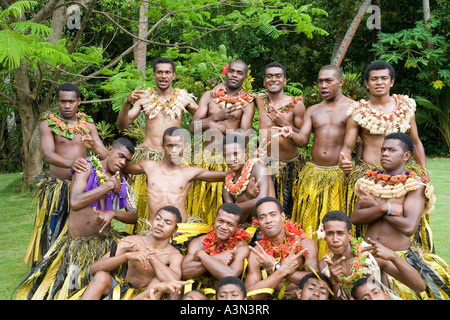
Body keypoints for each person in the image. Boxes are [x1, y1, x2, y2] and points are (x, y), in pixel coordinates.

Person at [15, 138, 137, 300]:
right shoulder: (86, 167)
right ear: (109, 150)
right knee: (71, 290)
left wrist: (114, 213)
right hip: (77, 246)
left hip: (104, 245)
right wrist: (108, 186)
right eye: (120, 156)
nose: (122, 162)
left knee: (100, 288)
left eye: (126, 160)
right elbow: (76, 202)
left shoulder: (121, 180)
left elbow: (134, 216)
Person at [351, 133, 450, 300]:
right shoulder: (368, 180)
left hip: (397, 257)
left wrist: (375, 206)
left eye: (391, 150)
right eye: (383, 149)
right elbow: (356, 218)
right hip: (367, 255)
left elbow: (408, 227)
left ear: (406, 156)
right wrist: (385, 207)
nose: (384, 153)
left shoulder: (415, 185)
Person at [339, 61, 428, 239]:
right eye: (374, 79)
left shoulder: (405, 107)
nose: (379, 82)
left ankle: (406, 256)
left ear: (392, 82)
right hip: (367, 174)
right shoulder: (358, 111)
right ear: (366, 83)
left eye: (383, 78)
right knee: (364, 222)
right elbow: (347, 147)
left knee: (405, 216)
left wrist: (424, 172)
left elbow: (416, 142)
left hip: (404, 174)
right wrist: (345, 161)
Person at [25, 83, 108, 267]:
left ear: (79, 101)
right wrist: (70, 163)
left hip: (83, 187)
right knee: (52, 225)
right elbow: (48, 154)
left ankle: (79, 263)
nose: (67, 105)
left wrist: (92, 145)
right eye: (63, 101)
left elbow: (104, 154)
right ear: (57, 102)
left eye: (71, 101)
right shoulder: (48, 123)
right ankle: (48, 264)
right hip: (58, 186)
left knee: (80, 228)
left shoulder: (88, 125)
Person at [274, 65, 353, 258]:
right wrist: (289, 132)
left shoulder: (353, 108)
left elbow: (352, 142)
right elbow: (303, 139)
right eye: (320, 81)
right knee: (309, 218)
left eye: (328, 81)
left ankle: (338, 261)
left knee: (336, 220)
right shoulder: (313, 110)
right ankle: (309, 259)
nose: (323, 85)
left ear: (340, 82)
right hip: (314, 173)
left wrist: (347, 160)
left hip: (338, 175)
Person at [116, 57, 198, 234]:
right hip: (147, 157)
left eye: (167, 72)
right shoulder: (144, 99)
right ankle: (140, 238)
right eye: (159, 72)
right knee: (145, 202)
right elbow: (121, 125)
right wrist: (127, 102)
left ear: (173, 75)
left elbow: (203, 117)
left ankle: (175, 238)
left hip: (174, 157)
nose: (163, 76)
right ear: (154, 75)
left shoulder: (183, 99)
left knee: (173, 198)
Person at [187, 59, 255, 224]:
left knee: (225, 209)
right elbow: (192, 127)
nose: (235, 75)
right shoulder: (209, 96)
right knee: (200, 206)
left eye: (239, 73)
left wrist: (219, 127)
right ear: (226, 72)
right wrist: (214, 118)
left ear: (245, 78)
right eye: (232, 71)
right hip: (206, 159)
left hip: (230, 162)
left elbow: (245, 136)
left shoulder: (247, 103)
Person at [123, 127, 231, 225]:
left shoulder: (190, 172)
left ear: (186, 147)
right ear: (162, 146)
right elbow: (119, 166)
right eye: (169, 146)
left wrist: (245, 166)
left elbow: (226, 175)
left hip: (179, 229)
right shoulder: (148, 166)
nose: (173, 151)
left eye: (178, 146)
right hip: (154, 228)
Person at [79, 206, 184, 300]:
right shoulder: (133, 241)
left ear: (175, 231)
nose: (160, 224)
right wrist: (126, 256)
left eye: (167, 222)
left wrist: (149, 255)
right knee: (101, 276)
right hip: (121, 290)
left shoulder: (174, 255)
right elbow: (95, 269)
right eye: (158, 219)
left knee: (158, 281)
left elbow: (174, 282)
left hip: (148, 294)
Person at [318, 210, 426, 300]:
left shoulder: (371, 256)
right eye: (330, 233)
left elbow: (419, 286)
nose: (335, 239)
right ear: (325, 236)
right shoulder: (324, 266)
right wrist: (335, 283)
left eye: (340, 233)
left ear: (349, 235)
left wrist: (393, 256)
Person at [254, 62, 306, 217]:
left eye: (278, 76)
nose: (273, 79)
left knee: (288, 213)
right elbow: (236, 94)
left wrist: (284, 124)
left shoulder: (296, 104)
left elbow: (303, 138)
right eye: (269, 76)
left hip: (289, 167)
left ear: (284, 80)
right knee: (264, 211)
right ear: (264, 81)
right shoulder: (259, 100)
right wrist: (218, 88)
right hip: (265, 165)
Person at [245, 197, 319, 300]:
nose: (268, 220)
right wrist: (282, 270)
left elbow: (316, 282)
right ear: (258, 222)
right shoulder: (257, 253)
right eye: (262, 217)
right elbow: (251, 294)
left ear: (282, 216)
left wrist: (275, 267)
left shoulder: (305, 243)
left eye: (273, 215)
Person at [181, 203, 251, 295]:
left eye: (230, 224)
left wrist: (201, 255)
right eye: (220, 221)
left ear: (238, 227)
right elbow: (184, 271)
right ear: (215, 219)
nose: (223, 227)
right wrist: (216, 258)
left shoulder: (240, 247)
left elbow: (230, 275)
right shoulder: (200, 241)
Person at [222, 133, 275, 223]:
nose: (231, 158)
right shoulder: (227, 186)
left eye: (235, 154)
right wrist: (250, 198)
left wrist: (231, 209)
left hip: (270, 224)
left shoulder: (258, 167)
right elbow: (233, 219)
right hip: (247, 227)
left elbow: (262, 201)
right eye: (227, 155)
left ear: (245, 153)